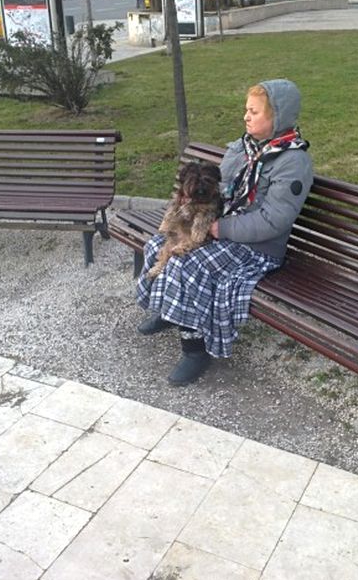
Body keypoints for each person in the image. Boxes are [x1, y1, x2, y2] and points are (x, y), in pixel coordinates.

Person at [135, 79, 314, 385]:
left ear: (277, 116)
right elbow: (221, 189)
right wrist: (193, 205)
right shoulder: (243, 148)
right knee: (158, 245)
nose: (246, 117)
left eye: (254, 112)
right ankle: (168, 310)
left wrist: (219, 228)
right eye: (246, 110)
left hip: (257, 248)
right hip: (223, 229)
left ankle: (195, 350)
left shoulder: (293, 161)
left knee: (187, 265)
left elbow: (274, 220)